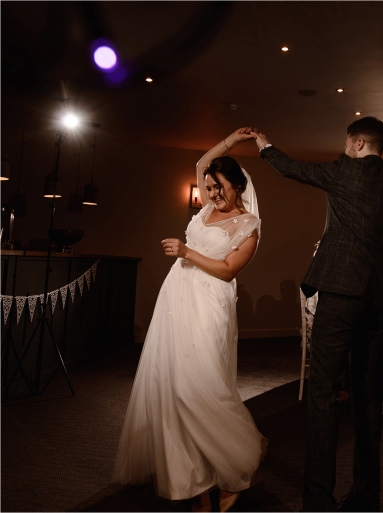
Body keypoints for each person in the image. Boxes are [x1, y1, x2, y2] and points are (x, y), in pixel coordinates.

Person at [251, 116, 383, 512]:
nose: (344, 150)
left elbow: (294, 169)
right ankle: (366, 498)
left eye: (345, 144)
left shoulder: (344, 171)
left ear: (358, 143)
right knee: (368, 397)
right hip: (377, 300)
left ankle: (318, 502)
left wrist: (265, 148)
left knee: (322, 392)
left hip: (340, 294)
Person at [112, 128, 267, 512]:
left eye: (219, 187)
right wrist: (231, 140)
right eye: (209, 187)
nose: (212, 193)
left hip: (209, 304)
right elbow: (201, 163)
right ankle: (198, 489)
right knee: (171, 386)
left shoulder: (248, 226)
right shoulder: (206, 209)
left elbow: (228, 270)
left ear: (238, 185)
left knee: (199, 389)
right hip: (177, 299)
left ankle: (231, 470)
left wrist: (187, 252)